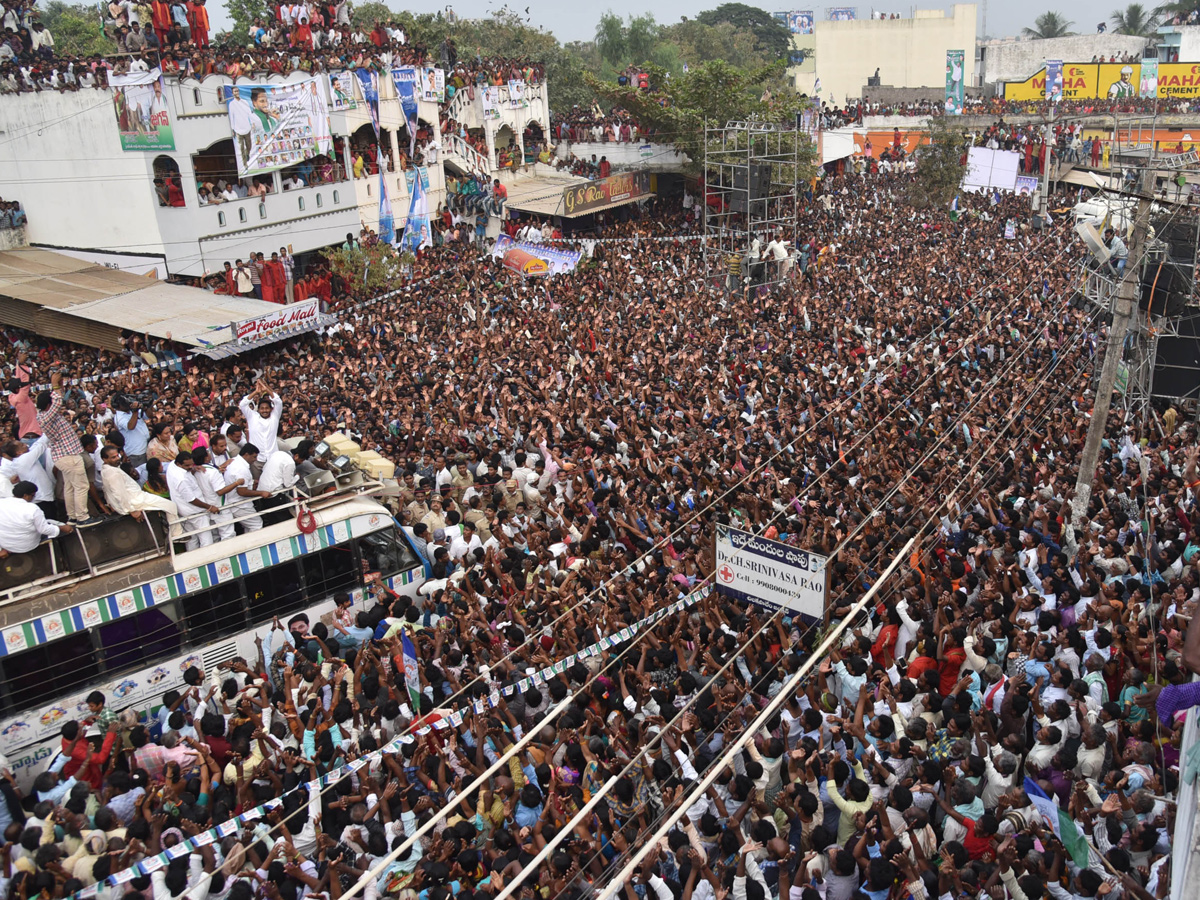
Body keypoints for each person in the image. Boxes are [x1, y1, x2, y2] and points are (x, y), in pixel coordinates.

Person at [35, 370, 93, 524]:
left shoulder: (44, 414)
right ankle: (82, 517)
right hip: (68, 456)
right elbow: (58, 402)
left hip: (64, 456)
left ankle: (73, 517)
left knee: (70, 488)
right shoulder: (46, 416)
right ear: (48, 404)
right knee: (81, 486)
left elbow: (57, 401)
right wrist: (54, 386)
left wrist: (58, 387)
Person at [99, 444, 177, 524]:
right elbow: (119, 494)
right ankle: (176, 535)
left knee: (169, 506)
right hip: (135, 501)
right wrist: (132, 510)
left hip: (136, 498)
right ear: (104, 459)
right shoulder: (112, 473)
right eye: (113, 457)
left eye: (117, 456)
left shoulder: (106, 470)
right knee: (171, 506)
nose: (117, 458)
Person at [0, 480, 73, 555]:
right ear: (25, 496)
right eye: (33, 495)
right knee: (55, 525)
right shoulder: (32, 509)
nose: (33, 498)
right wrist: (62, 528)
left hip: (6, 545)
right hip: (27, 545)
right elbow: (45, 530)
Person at [165, 450, 216, 549]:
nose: (190, 467)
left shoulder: (172, 465)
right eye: (187, 466)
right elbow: (191, 499)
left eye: (191, 464)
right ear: (179, 464)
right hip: (195, 512)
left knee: (192, 539)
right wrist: (209, 507)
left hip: (183, 511)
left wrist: (193, 469)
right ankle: (208, 558)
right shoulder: (181, 478)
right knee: (206, 538)